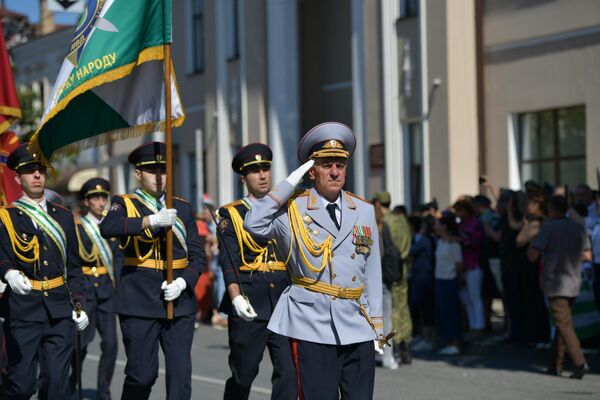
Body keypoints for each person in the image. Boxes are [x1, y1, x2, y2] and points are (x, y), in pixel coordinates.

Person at [244, 122, 384, 400]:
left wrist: (376, 322)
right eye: (326, 164)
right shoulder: (292, 209)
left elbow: (372, 269)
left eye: (340, 165)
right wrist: (289, 183)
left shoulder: (364, 210)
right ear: (312, 171)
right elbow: (254, 223)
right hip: (312, 323)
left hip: (356, 321)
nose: (335, 171)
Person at [100, 142, 205, 399]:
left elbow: (198, 255)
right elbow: (108, 227)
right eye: (152, 170)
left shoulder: (182, 208)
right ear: (138, 173)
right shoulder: (124, 204)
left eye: (163, 170)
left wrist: (184, 282)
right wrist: (151, 221)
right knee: (142, 375)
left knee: (180, 376)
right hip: (139, 301)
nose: (159, 176)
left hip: (179, 301)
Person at [0, 143, 89, 399]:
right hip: (23, 311)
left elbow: (73, 266)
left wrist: (79, 304)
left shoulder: (62, 216)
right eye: (30, 171)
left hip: (59, 311)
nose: (37, 175)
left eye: (41, 170)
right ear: (18, 178)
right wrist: (9, 274)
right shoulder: (7, 216)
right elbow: (2, 254)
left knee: (57, 385)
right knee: (22, 386)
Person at [217, 143, 296, 400]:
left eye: (265, 169)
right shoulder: (232, 214)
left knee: (288, 373)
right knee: (244, 373)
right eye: (254, 171)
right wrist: (235, 296)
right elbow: (228, 261)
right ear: (244, 178)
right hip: (250, 300)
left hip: (283, 301)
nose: (262, 175)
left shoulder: (287, 208)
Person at [529, 195, 592, 379]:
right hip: (574, 281)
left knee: (564, 324)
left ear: (552, 209)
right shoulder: (578, 227)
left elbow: (533, 255)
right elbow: (587, 256)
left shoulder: (548, 228)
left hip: (555, 282)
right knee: (562, 323)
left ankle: (581, 362)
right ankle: (554, 364)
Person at [71, 177, 121, 400]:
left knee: (110, 345)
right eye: (95, 198)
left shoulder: (112, 226)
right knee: (80, 345)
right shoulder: (78, 228)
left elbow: (117, 260)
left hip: (107, 292)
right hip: (86, 290)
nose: (101, 202)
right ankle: (72, 383)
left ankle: (103, 392)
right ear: (86, 201)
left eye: (103, 197)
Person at [376, 192, 412, 363]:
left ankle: (394, 345)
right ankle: (405, 343)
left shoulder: (385, 222)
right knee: (403, 306)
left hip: (388, 269)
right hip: (402, 267)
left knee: (391, 309)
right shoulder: (401, 219)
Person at [434, 212, 463, 355]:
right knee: (443, 312)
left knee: (452, 312)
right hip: (440, 280)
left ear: (445, 226)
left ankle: (455, 344)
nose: (436, 227)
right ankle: (448, 342)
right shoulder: (440, 241)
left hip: (450, 280)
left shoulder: (454, 244)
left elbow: (459, 265)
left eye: (438, 224)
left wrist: (459, 282)